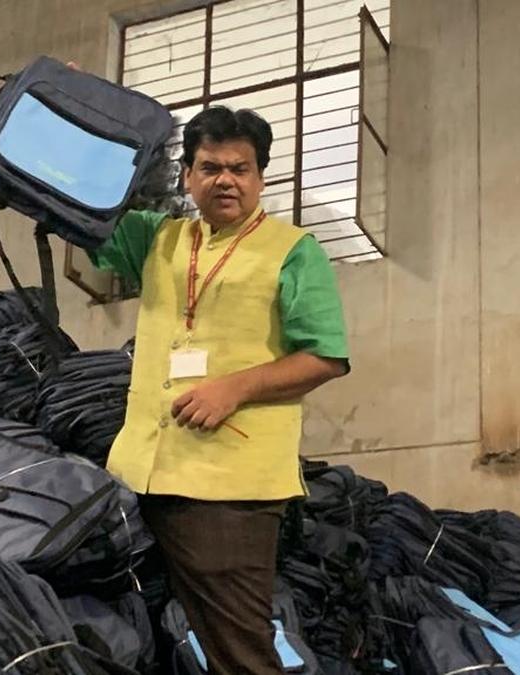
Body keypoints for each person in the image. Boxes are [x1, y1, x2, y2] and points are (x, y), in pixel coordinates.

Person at [91, 105, 350, 674]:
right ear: (187, 176)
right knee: (144, 633)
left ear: (260, 177)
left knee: (237, 651)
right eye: (210, 167)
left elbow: (325, 355)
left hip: (228, 486)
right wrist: (85, 116)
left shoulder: (292, 251)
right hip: (140, 470)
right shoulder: (159, 238)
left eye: (240, 168)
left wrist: (232, 388)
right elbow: (83, 206)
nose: (225, 180)